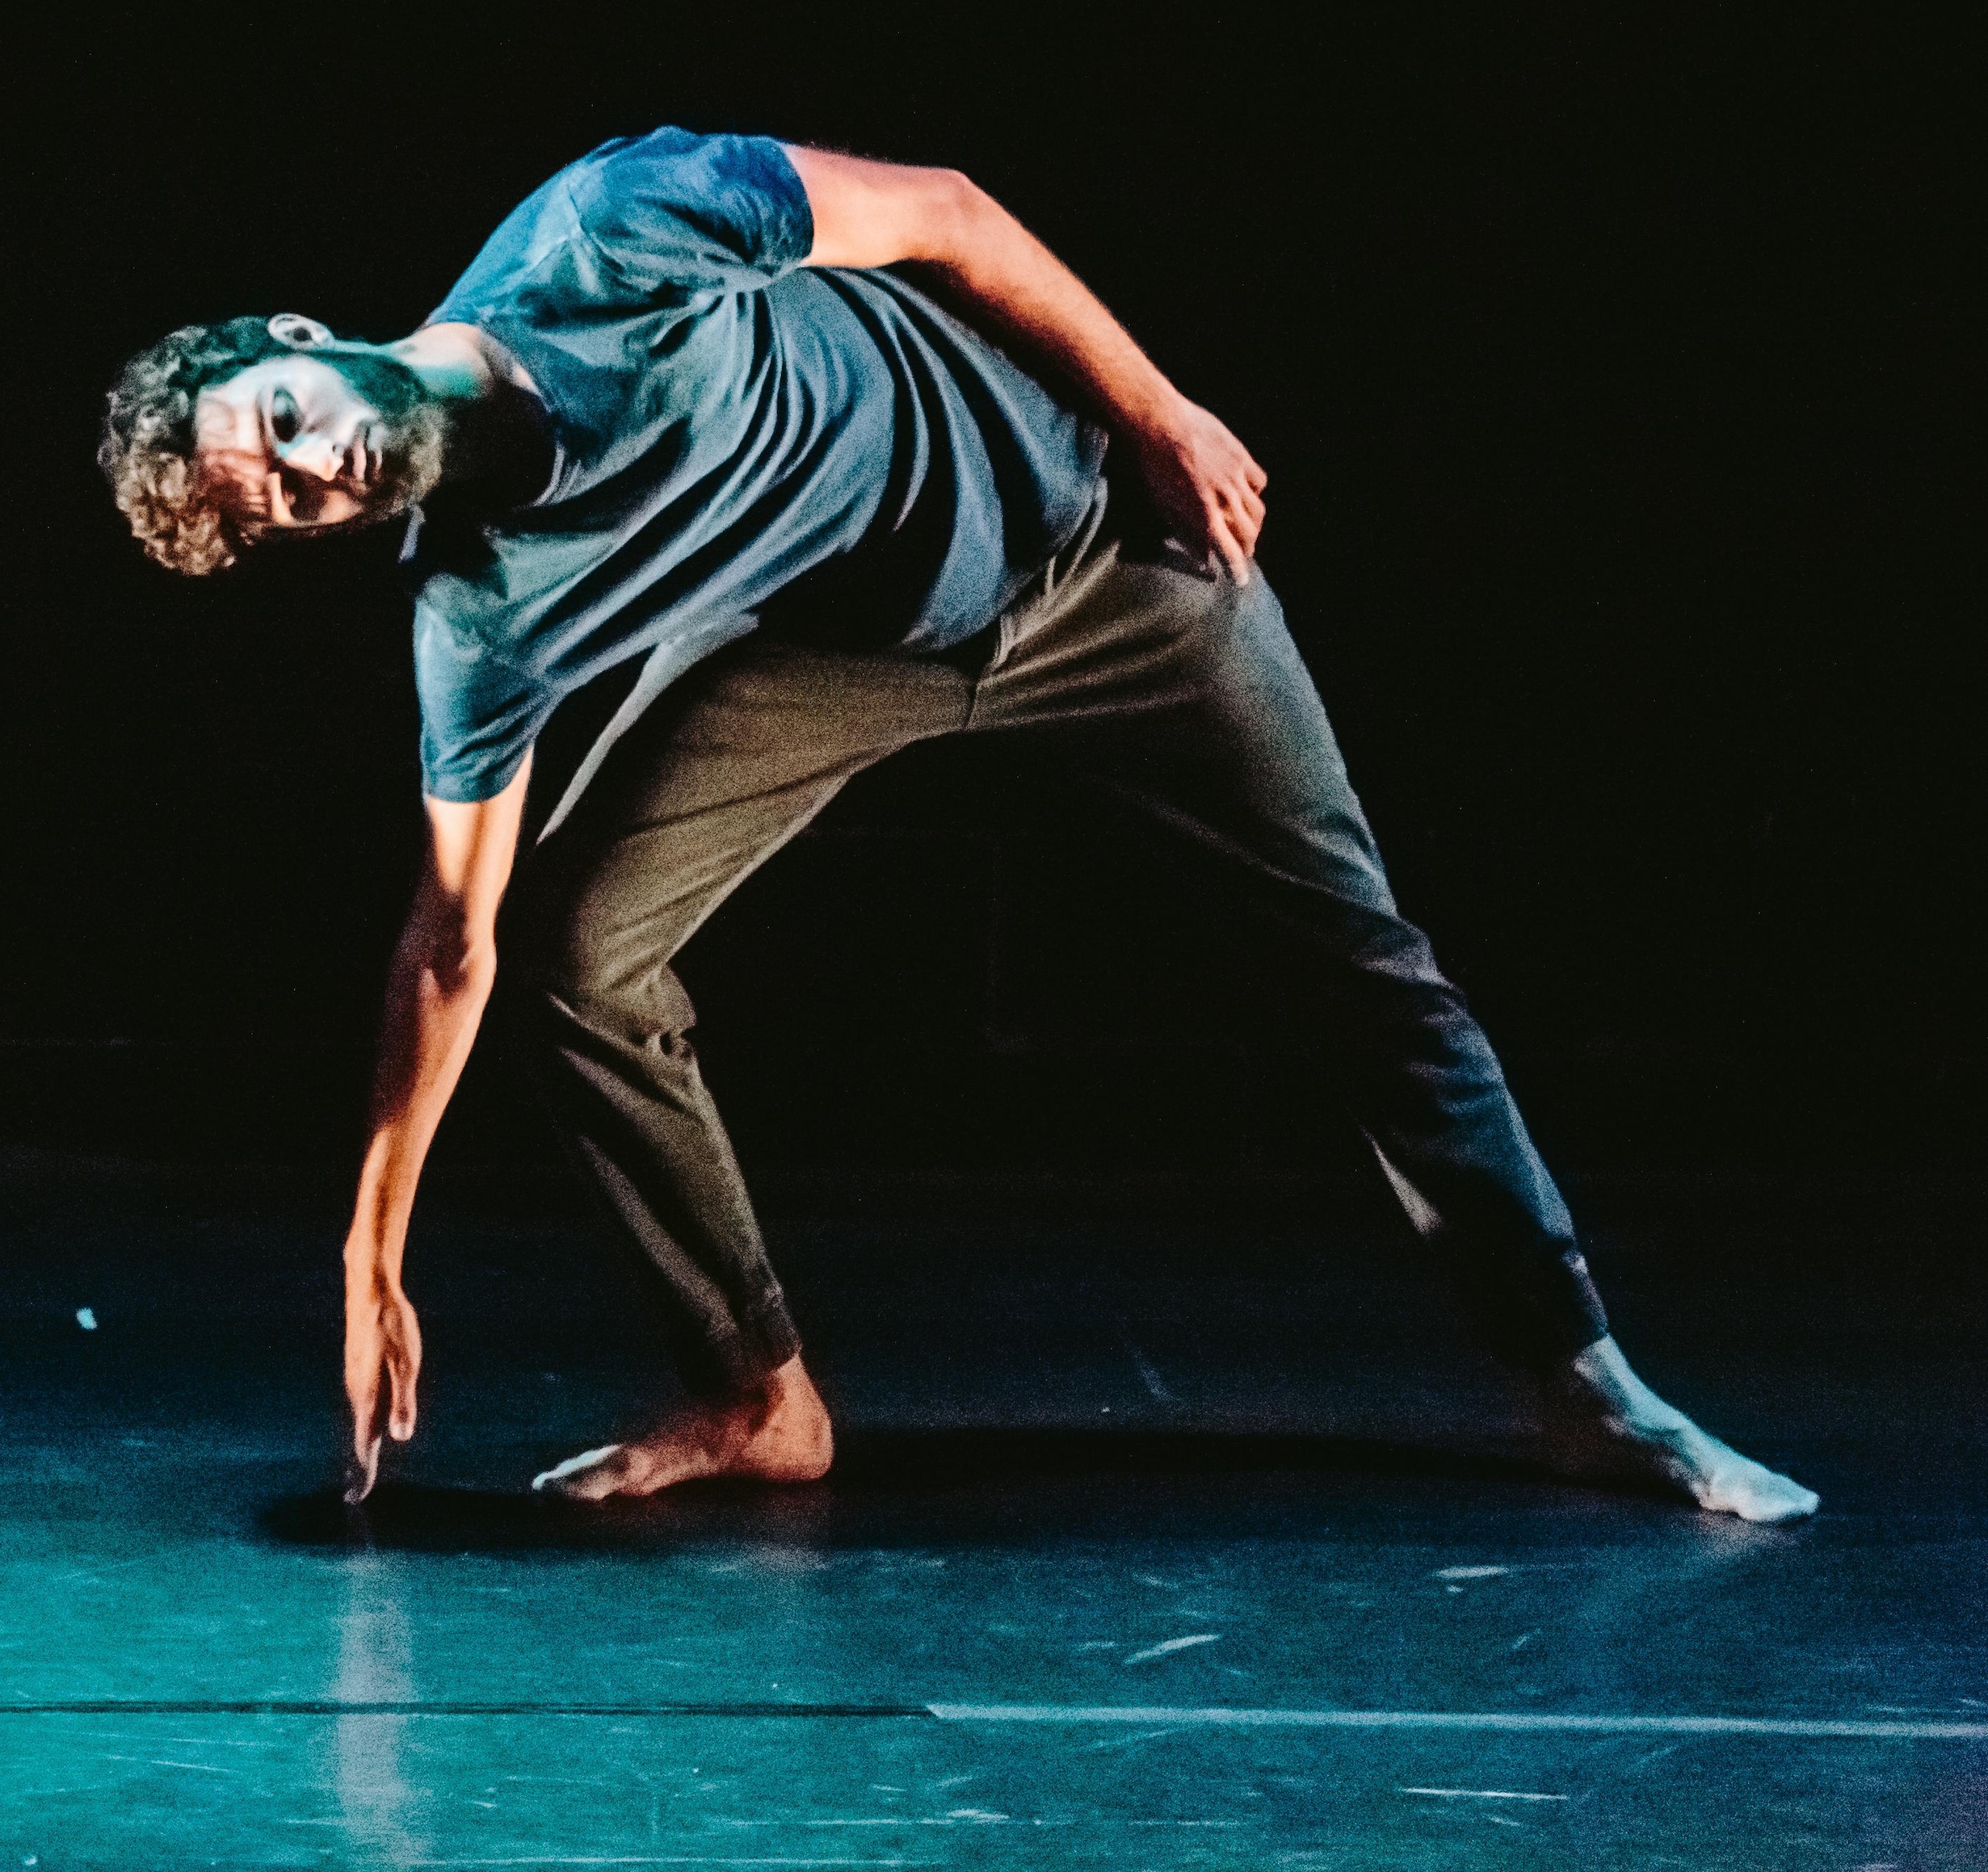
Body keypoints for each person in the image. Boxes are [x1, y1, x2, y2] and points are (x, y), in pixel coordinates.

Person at [97, 129, 1815, 1522]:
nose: (321, 475)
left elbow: (944, 218)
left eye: (284, 429)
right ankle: (759, 1395)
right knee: (569, 949)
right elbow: (446, 940)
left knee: (1362, 955)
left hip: (1108, 565)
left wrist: (1156, 413)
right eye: (292, 511)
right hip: (859, 657)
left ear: (299, 343)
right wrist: (370, 1244)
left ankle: (1584, 1384)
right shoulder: (475, 612)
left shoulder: (601, 235)